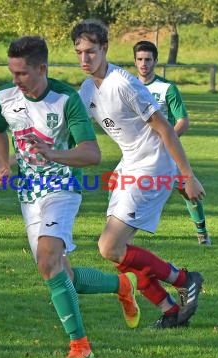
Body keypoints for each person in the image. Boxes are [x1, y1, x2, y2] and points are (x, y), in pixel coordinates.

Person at [0, 36, 140, 358]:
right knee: (62, 274)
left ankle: (80, 345)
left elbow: (92, 153)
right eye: (12, 73)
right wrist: (2, 161)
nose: (15, 80)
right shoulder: (4, 96)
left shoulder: (66, 100)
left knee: (47, 260)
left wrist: (54, 153)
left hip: (62, 188)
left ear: (42, 68)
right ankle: (122, 286)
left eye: (22, 74)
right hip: (28, 195)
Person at [70, 19, 204, 329]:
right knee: (117, 254)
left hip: (153, 166)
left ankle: (184, 280)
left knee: (109, 246)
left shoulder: (123, 83)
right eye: (79, 53)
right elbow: (67, 127)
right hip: (129, 165)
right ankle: (170, 311)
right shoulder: (88, 88)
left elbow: (165, 128)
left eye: (90, 52)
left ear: (105, 48)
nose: (84, 59)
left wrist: (186, 175)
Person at [133, 40, 210, 246]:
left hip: (165, 152)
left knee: (187, 189)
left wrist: (166, 139)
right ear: (134, 62)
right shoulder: (128, 87)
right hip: (136, 153)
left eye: (148, 59)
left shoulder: (166, 88)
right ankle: (117, 234)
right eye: (140, 59)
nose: (144, 64)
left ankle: (202, 233)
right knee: (118, 186)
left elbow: (183, 121)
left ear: (155, 61)